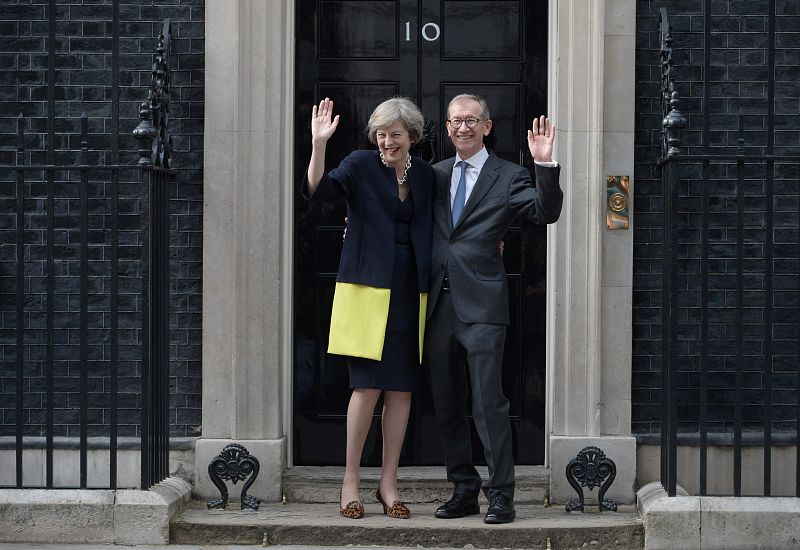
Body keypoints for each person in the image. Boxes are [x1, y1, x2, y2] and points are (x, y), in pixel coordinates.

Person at [426, 94, 563, 524]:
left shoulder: (509, 175)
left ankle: (501, 494)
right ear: (446, 128)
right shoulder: (434, 174)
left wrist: (544, 165)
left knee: (489, 404)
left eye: (470, 120)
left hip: (483, 305)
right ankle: (463, 489)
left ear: (487, 126)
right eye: (455, 121)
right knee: (446, 404)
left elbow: (545, 211)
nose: (462, 127)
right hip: (436, 305)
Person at [302, 97, 435, 520]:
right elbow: (320, 192)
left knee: (400, 388)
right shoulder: (360, 164)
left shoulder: (428, 176)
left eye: (395, 134)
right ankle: (350, 481)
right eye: (381, 134)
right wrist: (319, 144)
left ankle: (389, 484)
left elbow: (442, 226)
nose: (387, 141)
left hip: (410, 290)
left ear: (411, 136)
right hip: (364, 289)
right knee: (366, 387)